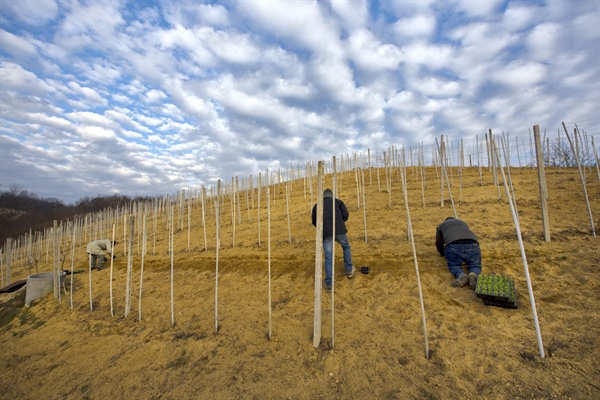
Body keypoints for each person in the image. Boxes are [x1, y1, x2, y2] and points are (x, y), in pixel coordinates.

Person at [312, 188, 356, 290]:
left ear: (323, 196)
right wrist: (339, 222)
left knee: (328, 256)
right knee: (346, 247)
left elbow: (315, 221)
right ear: (332, 195)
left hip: (326, 233)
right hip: (339, 230)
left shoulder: (317, 205)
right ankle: (349, 270)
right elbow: (346, 215)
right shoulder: (338, 202)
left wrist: (323, 227)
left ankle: (329, 283)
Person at [436, 217, 481, 289]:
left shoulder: (441, 225)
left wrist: (442, 253)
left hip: (453, 245)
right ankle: (473, 274)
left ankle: (460, 274)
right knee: (475, 264)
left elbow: (439, 242)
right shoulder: (462, 222)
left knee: (454, 265)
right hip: (473, 244)